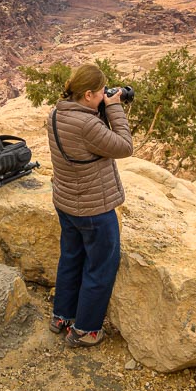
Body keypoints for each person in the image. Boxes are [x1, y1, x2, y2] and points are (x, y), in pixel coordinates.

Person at [45, 63, 133, 347]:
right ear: (87, 95)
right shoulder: (87, 124)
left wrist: (101, 107)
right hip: (94, 209)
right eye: (99, 93)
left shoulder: (56, 114)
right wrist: (115, 107)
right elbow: (124, 146)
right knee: (100, 267)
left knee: (71, 258)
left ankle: (63, 315)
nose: (103, 97)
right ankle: (86, 330)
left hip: (66, 203)